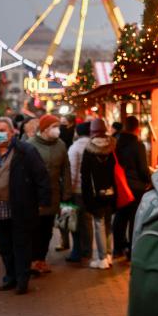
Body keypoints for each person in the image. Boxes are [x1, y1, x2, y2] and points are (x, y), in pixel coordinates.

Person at [0, 117, 50, 294]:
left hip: (20, 206)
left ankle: (22, 279)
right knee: (4, 246)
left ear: (12, 132)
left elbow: (41, 176)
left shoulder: (26, 150)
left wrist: (43, 201)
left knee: (21, 245)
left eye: (3, 130)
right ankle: (10, 277)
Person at [27, 114, 71, 274]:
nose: (58, 130)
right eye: (55, 127)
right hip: (35, 196)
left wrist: (66, 192)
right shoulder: (30, 145)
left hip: (54, 194)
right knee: (35, 229)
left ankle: (41, 259)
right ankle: (33, 260)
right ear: (45, 129)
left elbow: (66, 169)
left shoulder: (60, 145)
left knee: (47, 230)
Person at [80, 118, 117, 270]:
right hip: (112, 192)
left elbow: (85, 176)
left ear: (92, 132)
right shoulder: (113, 147)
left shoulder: (89, 150)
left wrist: (87, 196)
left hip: (96, 194)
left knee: (99, 224)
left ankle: (102, 258)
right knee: (108, 224)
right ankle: (108, 255)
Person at [112, 115, 151, 259]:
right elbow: (142, 168)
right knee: (134, 219)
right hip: (136, 187)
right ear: (137, 129)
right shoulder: (138, 145)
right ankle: (132, 251)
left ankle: (118, 249)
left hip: (120, 185)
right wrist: (149, 180)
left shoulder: (116, 143)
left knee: (120, 217)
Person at [65, 121, 92, 263]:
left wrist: (69, 191)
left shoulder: (75, 148)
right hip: (90, 191)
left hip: (77, 190)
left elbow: (72, 172)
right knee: (87, 222)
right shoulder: (93, 145)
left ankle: (77, 252)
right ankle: (87, 250)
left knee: (74, 223)